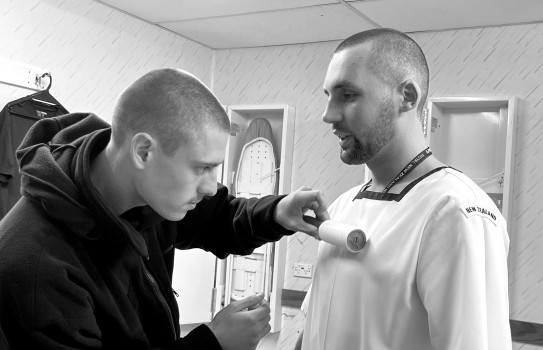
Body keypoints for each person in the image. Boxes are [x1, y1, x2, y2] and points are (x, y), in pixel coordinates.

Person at [0, 68, 329, 350]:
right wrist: (212, 343)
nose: (211, 186)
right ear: (143, 152)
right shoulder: (36, 266)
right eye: (201, 168)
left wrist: (276, 212)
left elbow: (219, 218)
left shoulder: (143, 192)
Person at [298, 28, 511, 349]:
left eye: (348, 95)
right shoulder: (342, 207)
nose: (328, 115)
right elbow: (315, 329)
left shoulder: (455, 212)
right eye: (327, 96)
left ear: (407, 97)